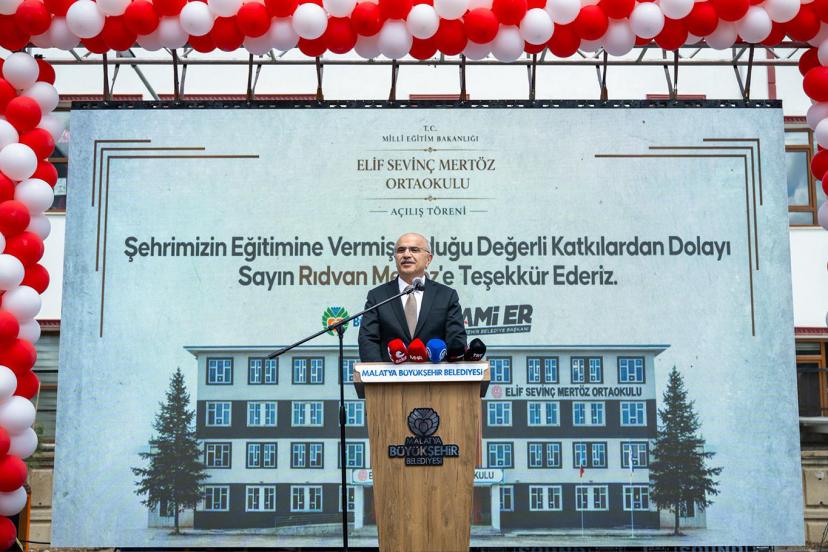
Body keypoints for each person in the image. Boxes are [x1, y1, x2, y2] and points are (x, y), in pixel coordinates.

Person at [358, 232, 467, 362]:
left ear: (428, 259)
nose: (406, 255)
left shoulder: (447, 296)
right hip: (388, 374)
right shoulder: (378, 296)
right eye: (401, 250)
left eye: (414, 250)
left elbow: (456, 340)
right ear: (395, 258)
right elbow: (368, 340)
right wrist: (377, 372)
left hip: (434, 373)